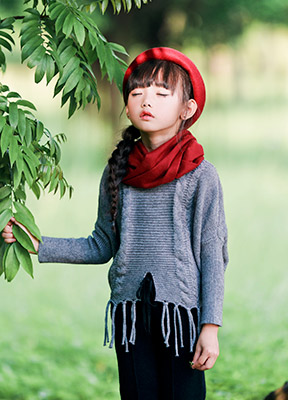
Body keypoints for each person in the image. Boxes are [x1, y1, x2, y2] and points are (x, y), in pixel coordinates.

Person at [2, 47, 228, 400]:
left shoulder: (200, 175)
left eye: (160, 93)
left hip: (181, 316)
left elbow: (212, 254)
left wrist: (210, 327)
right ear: (127, 106)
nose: (146, 101)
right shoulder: (118, 171)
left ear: (188, 108)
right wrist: (37, 243)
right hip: (130, 315)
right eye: (137, 93)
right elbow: (100, 245)